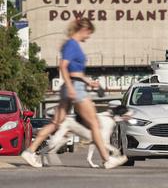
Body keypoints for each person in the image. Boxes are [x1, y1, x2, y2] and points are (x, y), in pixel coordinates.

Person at [22, 18, 127, 169]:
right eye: (89, 33)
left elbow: (74, 71)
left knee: (55, 123)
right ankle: (107, 159)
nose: (88, 37)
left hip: (73, 85)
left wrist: (88, 82)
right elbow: (63, 67)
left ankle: (30, 151)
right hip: (74, 88)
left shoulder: (72, 44)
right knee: (95, 124)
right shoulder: (72, 44)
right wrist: (72, 87)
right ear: (83, 30)